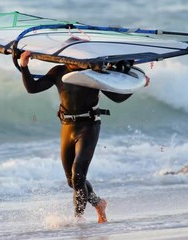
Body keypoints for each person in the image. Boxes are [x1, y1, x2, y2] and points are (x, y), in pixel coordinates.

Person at [19, 51, 132, 223]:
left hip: (89, 126)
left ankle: (78, 220)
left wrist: (139, 85)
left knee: (78, 174)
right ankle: (99, 203)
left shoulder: (91, 74)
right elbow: (32, 88)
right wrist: (24, 65)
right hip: (67, 127)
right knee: (72, 181)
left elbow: (117, 97)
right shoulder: (58, 71)